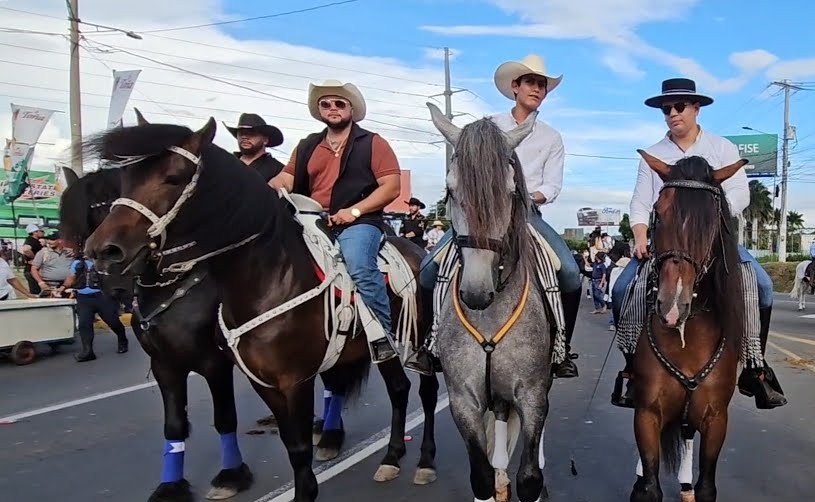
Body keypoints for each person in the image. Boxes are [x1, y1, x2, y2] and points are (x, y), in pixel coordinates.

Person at [610, 77, 786, 409]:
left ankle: (755, 368)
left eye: (679, 107)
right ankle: (632, 367)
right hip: (667, 243)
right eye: (666, 109)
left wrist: (709, 215)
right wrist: (640, 235)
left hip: (714, 241)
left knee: (762, 287)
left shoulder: (722, 148)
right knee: (621, 290)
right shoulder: (654, 154)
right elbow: (640, 201)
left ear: (696, 108)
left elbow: (740, 193)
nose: (672, 114)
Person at [417, 54, 582, 378]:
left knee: (570, 273)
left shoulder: (551, 136)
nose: (537, 89)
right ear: (515, 87)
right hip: (481, 214)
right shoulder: (486, 127)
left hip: (527, 214)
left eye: (542, 85)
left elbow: (552, 185)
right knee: (426, 271)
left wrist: (527, 197)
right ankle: (429, 343)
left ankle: (561, 348)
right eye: (531, 82)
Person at [268, 80, 408, 366]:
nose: (332, 108)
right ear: (319, 110)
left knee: (359, 264)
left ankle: (382, 334)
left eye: (339, 103)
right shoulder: (308, 145)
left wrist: (354, 211)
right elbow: (286, 179)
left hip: (359, 221)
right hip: (308, 217)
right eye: (326, 104)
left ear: (351, 109)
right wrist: (263, 188)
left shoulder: (373, 143)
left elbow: (391, 187)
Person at [66, 248, 129, 361]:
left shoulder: (105, 263)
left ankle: (122, 340)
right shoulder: (77, 263)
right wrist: (62, 287)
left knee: (112, 321)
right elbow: (71, 278)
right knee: (84, 324)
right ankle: (87, 351)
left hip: (102, 296)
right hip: (83, 297)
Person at [225, 113, 286, 181]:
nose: (244, 137)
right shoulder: (226, 163)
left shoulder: (277, 170)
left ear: (265, 140)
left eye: (251, 133)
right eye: (241, 133)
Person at [20, 223, 43, 294]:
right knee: (36, 292)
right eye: (40, 231)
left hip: (33, 270)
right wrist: (36, 259)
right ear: (34, 232)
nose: (42, 232)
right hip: (31, 270)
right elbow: (26, 249)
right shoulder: (31, 240)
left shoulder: (35, 241)